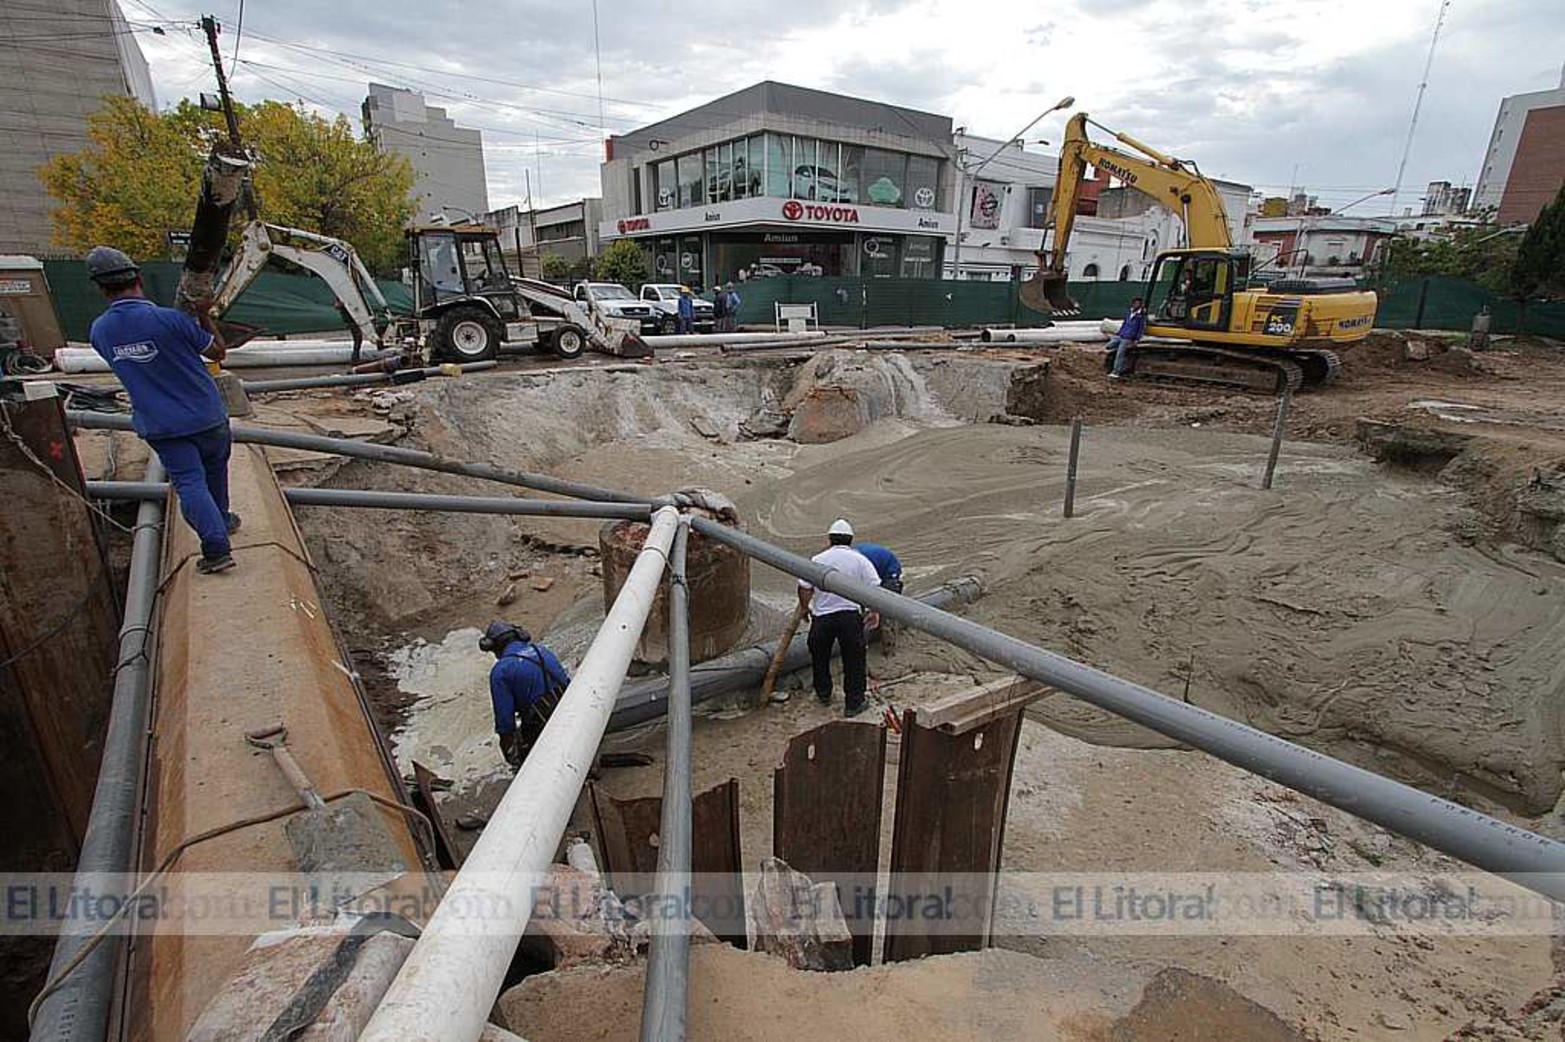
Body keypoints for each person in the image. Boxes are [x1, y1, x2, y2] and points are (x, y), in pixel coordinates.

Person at [86, 246, 240, 575]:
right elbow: (218, 352)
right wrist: (203, 315)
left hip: (162, 424)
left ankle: (216, 547)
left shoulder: (100, 332)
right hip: (207, 414)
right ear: (139, 278)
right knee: (214, 472)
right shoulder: (169, 320)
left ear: (100, 289)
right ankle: (221, 524)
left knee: (189, 482)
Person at [797, 518, 882, 717]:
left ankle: (823, 693)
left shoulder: (817, 559)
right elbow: (874, 588)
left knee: (820, 657)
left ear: (829, 538)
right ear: (851, 539)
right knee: (854, 660)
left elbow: (804, 587)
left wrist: (804, 609)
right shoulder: (860, 560)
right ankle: (854, 703)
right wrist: (874, 611)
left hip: (823, 617)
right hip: (849, 616)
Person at [480, 620, 571, 770]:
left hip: (543, 729)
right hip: (571, 713)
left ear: (495, 647)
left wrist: (512, 756)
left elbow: (505, 724)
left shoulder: (501, 670)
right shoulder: (542, 650)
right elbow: (566, 683)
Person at [1107, 297, 1148, 381]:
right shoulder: (1129, 312)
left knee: (1120, 354)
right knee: (1109, 346)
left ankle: (1116, 372)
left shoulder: (1141, 316)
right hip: (1121, 335)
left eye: (1139, 303)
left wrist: (1136, 339)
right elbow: (1125, 323)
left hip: (1128, 338)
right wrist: (1119, 333)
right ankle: (1122, 363)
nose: (1137, 305)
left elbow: (1141, 328)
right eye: (1135, 303)